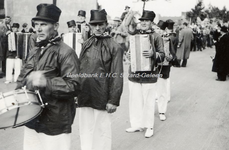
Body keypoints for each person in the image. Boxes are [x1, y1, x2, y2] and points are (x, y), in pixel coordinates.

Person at [15, 3, 81, 150]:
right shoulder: (34, 51)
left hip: (55, 122)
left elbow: (74, 85)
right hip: (32, 119)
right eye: (36, 24)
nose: (38, 29)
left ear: (56, 26)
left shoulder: (66, 52)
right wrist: (17, 93)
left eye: (43, 24)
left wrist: (47, 83)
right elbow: (22, 78)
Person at [77, 9, 123, 150]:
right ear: (90, 26)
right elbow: (80, 68)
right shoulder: (86, 44)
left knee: (102, 131)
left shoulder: (114, 46)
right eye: (94, 24)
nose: (97, 28)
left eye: (100, 24)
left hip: (102, 96)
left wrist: (113, 100)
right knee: (85, 129)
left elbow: (117, 74)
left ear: (106, 24)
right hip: (84, 94)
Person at [126, 10, 165, 138]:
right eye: (141, 20)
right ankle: (137, 124)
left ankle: (149, 126)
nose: (143, 23)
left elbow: (162, 55)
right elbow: (129, 51)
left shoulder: (156, 36)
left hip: (150, 75)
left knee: (148, 101)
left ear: (151, 22)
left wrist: (153, 54)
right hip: (134, 74)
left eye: (146, 21)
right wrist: (129, 55)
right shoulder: (135, 34)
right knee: (135, 100)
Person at [155, 20, 176, 121]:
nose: (158, 31)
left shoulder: (168, 39)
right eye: (157, 29)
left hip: (164, 66)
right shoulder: (152, 37)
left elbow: (172, 53)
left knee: (162, 89)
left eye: (160, 29)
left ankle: (162, 111)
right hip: (152, 67)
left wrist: (171, 57)